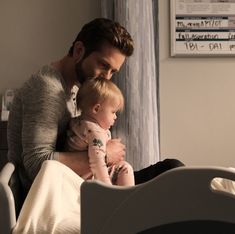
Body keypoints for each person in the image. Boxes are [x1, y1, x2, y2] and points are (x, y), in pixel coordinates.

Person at [7, 17, 184, 200]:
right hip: (56, 195)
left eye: (113, 71)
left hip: (79, 182)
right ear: (79, 51)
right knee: (173, 175)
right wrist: (105, 154)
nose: (107, 77)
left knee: (172, 171)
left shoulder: (77, 88)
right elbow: (35, 164)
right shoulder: (48, 90)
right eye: (103, 65)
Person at [65, 77, 135, 186]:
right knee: (125, 168)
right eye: (113, 112)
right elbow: (97, 163)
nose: (115, 117)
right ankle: (126, 200)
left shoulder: (77, 123)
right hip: (88, 179)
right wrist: (106, 187)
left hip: (73, 175)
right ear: (96, 109)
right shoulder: (95, 133)